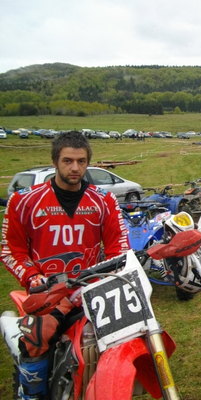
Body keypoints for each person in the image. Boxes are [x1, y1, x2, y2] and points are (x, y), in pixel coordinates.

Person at [1, 131, 130, 399]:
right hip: (47, 292)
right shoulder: (24, 200)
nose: (75, 168)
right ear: (55, 162)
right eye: (68, 161)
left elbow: (119, 247)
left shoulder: (104, 200)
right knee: (37, 338)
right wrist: (33, 278)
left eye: (81, 161)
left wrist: (108, 276)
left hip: (91, 288)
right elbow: (11, 249)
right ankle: (31, 395)